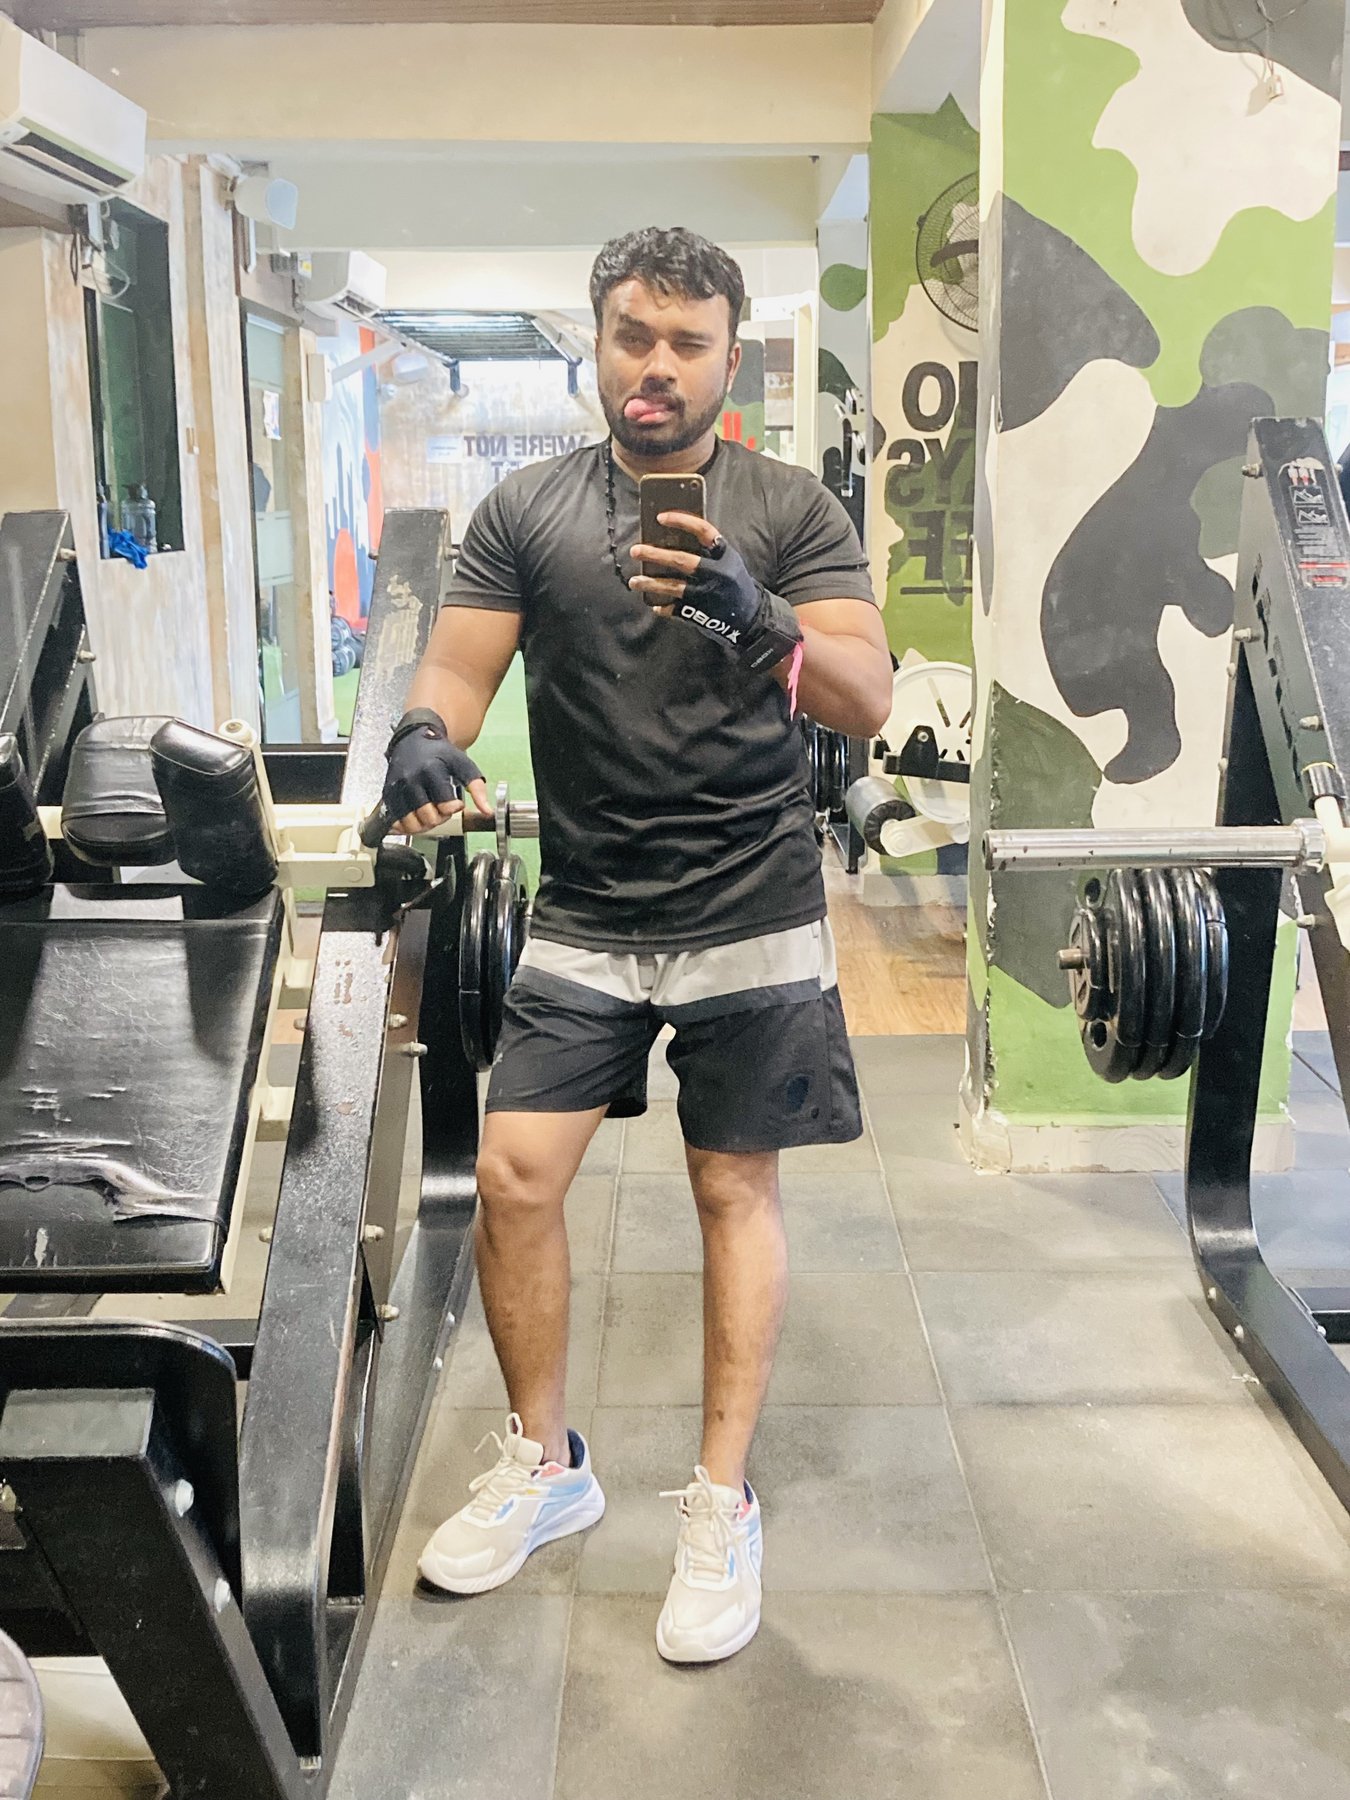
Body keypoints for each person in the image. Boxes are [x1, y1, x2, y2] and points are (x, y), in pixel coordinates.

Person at [376, 226, 891, 1664]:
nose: (654, 366)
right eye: (630, 337)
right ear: (595, 344)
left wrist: (759, 619)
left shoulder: (788, 507)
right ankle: (548, 1468)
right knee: (512, 1176)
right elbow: (457, 669)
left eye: (685, 343)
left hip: (751, 903)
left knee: (732, 1188)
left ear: (729, 360)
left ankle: (721, 1503)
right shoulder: (527, 509)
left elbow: (862, 697)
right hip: (590, 906)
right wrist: (421, 733)